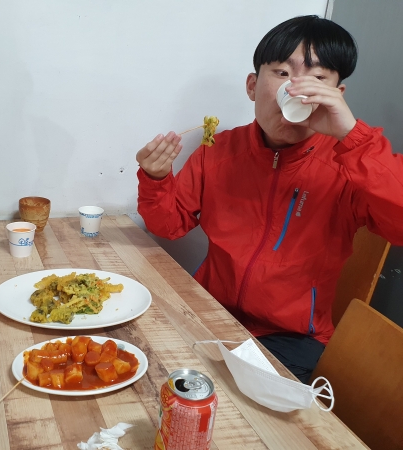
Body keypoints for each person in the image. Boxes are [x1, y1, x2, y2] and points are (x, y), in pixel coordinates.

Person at [136, 15, 403, 384]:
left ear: (337, 95)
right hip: (209, 310)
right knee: (151, 375)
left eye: (318, 78)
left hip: (292, 338)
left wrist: (351, 135)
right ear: (252, 85)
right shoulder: (219, 149)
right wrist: (155, 178)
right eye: (282, 73)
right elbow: (168, 224)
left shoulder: (348, 163)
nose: (297, 89)